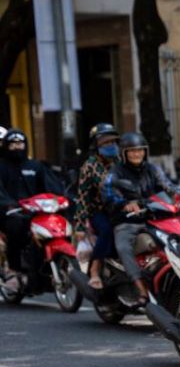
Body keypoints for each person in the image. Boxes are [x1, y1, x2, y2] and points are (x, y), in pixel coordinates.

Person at [102, 131, 175, 306]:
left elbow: (167, 187)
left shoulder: (153, 169)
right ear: (124, 153)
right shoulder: (115, 173)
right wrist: (124, 204)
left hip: (153, 217)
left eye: (140, 150)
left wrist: (179, 196)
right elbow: (109, 194)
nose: (137, 154)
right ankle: (141, 288)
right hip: (128, 221)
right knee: (123, 247)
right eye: (132, 151)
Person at [0, 129, 63, 287]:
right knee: (15, 226)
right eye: (13, 145)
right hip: (10, 212)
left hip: (37, 211)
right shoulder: (1, 167)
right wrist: (9, 204)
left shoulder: (36, 166)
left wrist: (60, 198)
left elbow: (51, 186)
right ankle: (14, 268)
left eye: (20, 144)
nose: (17, 148)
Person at [74, 123, 120, 289]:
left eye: (113, 141)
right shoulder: (89, 166)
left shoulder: (120, 161)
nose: (110, 145)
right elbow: (82, 198)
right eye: (105, 142)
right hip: (99, 211)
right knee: (107, 229)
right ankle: (95, 269)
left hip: (122, 208)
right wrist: (79, 226)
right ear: (96, 145)